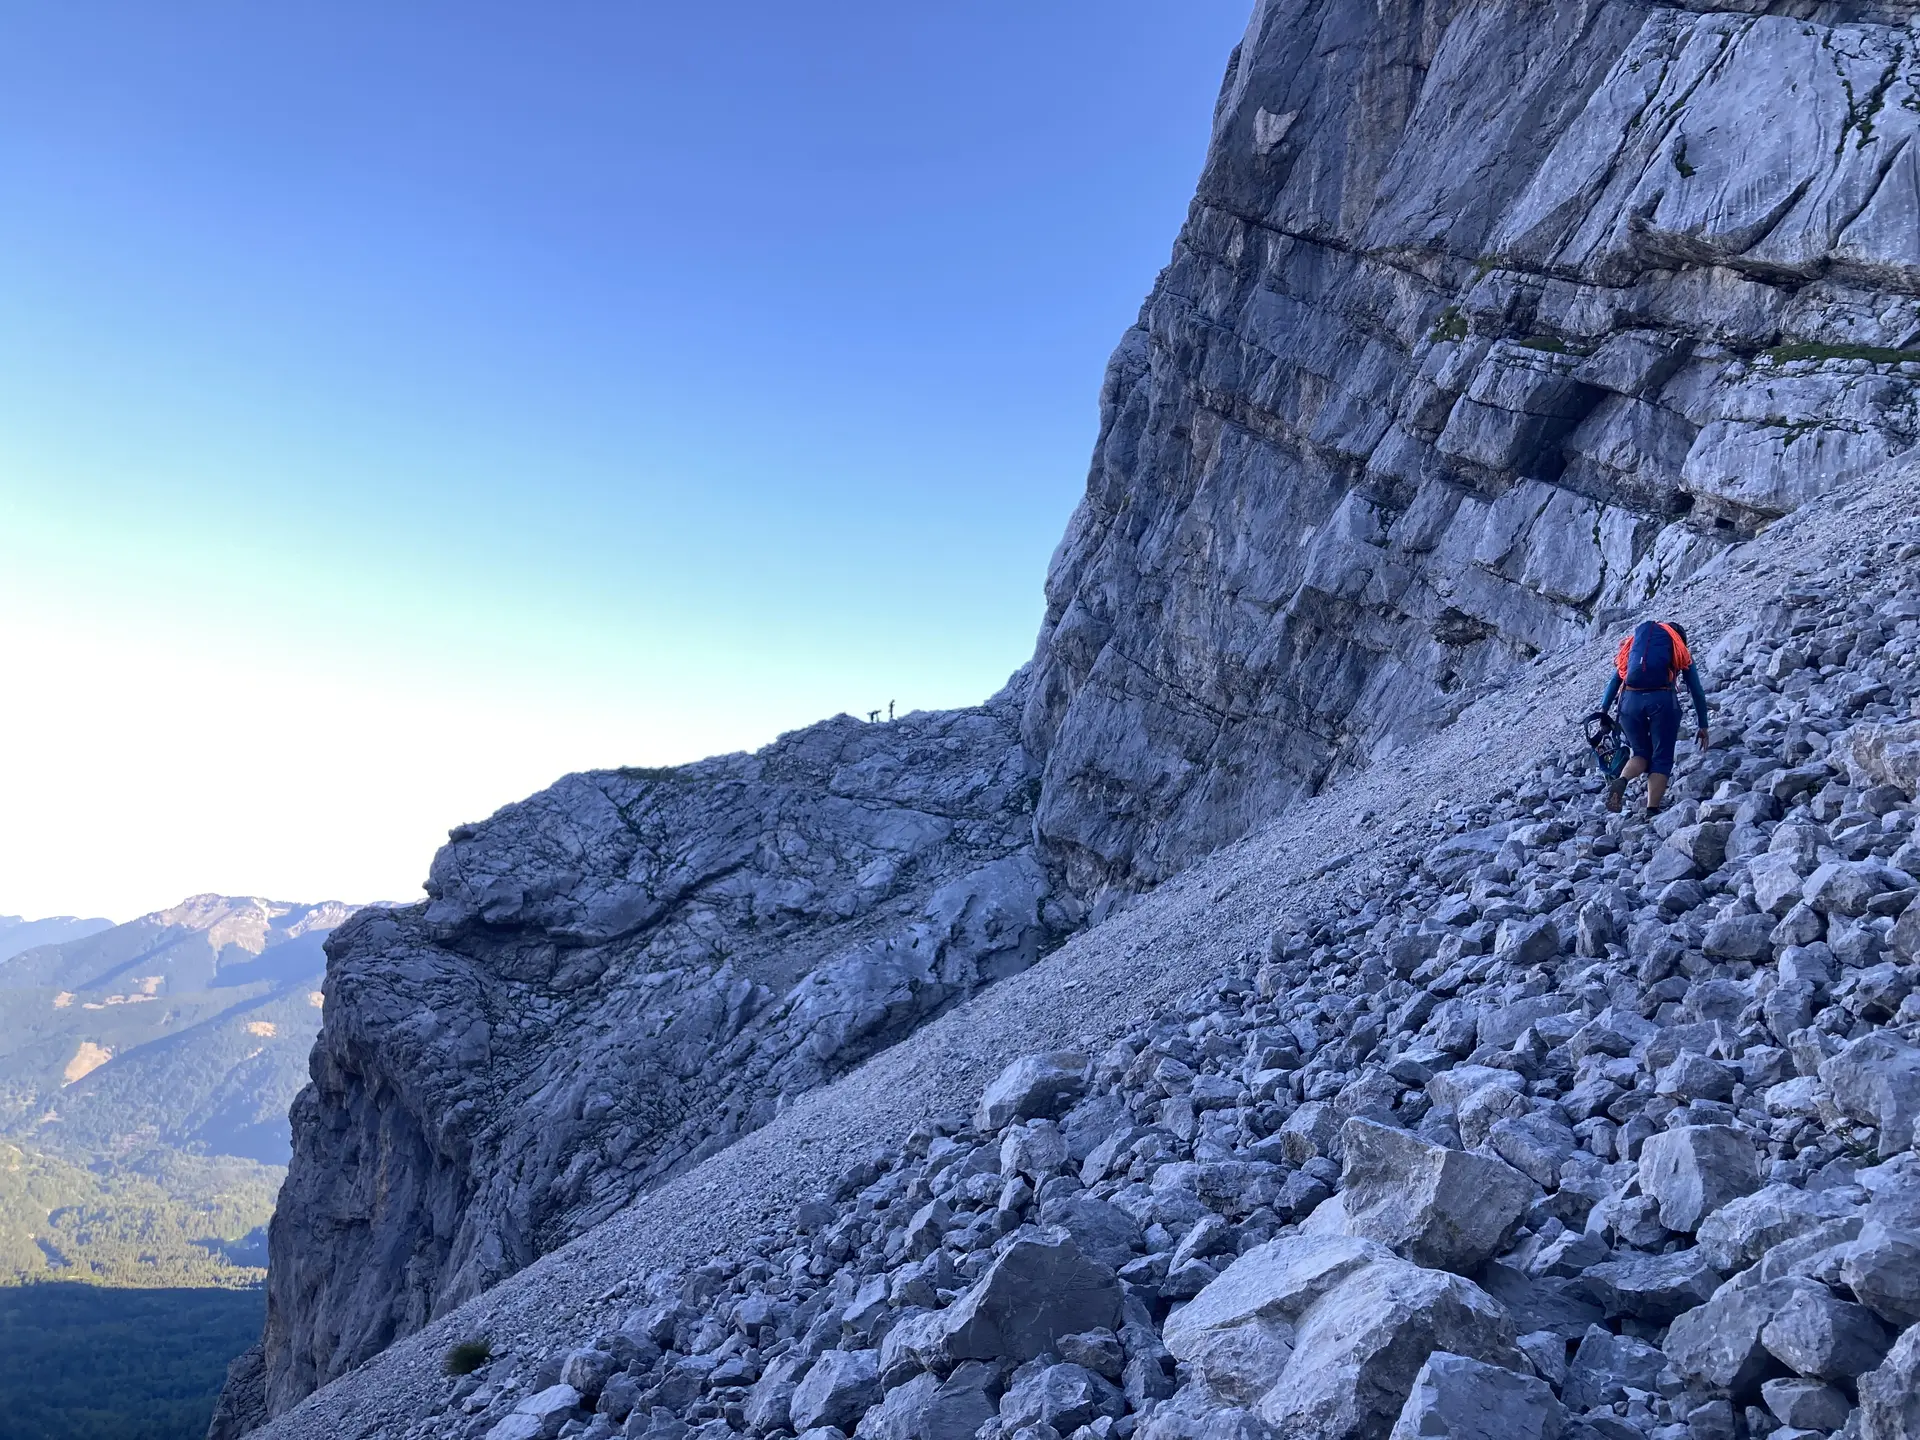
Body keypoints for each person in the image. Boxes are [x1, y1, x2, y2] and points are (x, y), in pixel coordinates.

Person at [1601, 619, 1710, 815]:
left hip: (1629, 701)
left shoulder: (1634, 648)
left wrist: (1603, 711)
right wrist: (1703, 725)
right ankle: (1652, 809)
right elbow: (1697, 690)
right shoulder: (1679, 649)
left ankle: (1622, 780)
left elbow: (1615, 680)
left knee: (1641, 753)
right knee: (1662, 756)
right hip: (1662, 701)